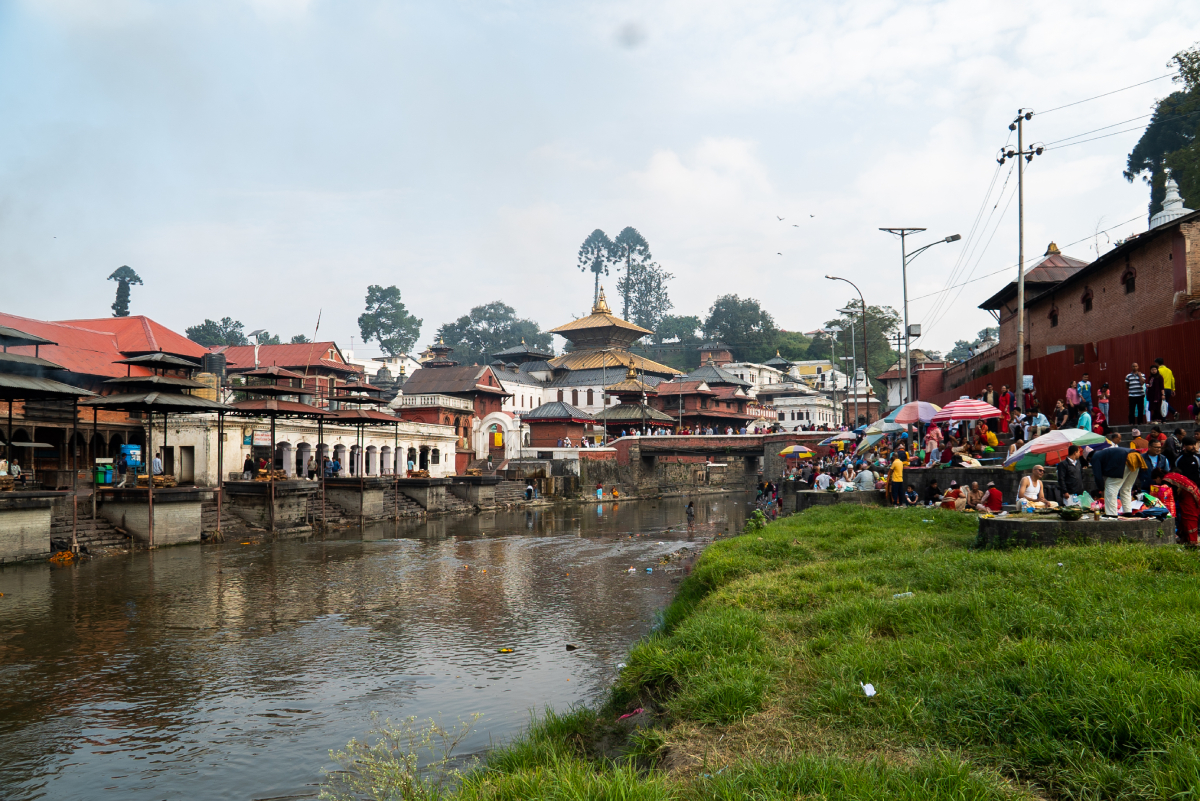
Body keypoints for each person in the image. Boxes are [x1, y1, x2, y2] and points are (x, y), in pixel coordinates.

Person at [1164, 436, 1200, 543]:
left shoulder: (1198, 458)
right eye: (1191, 445)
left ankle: (1195, 534)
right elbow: (1175, 474)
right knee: (1184, 514)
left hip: (1196, 489)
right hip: (1182, 492)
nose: (1193, 447)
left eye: (1194, 444)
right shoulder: (1178, 459)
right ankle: (1185, 537)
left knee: (1195, 513)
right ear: (1184, 446)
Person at [1093, 446, 1143, 517]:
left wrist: (1101, 489)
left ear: (1089, 457)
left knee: (1111, 486)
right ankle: (1128, 512)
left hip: (1126, 459)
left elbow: (1097, 476)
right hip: (1136, 457)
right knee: (1126, 488)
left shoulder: (1095, 457)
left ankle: (1111, 513)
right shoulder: (1104, 454)